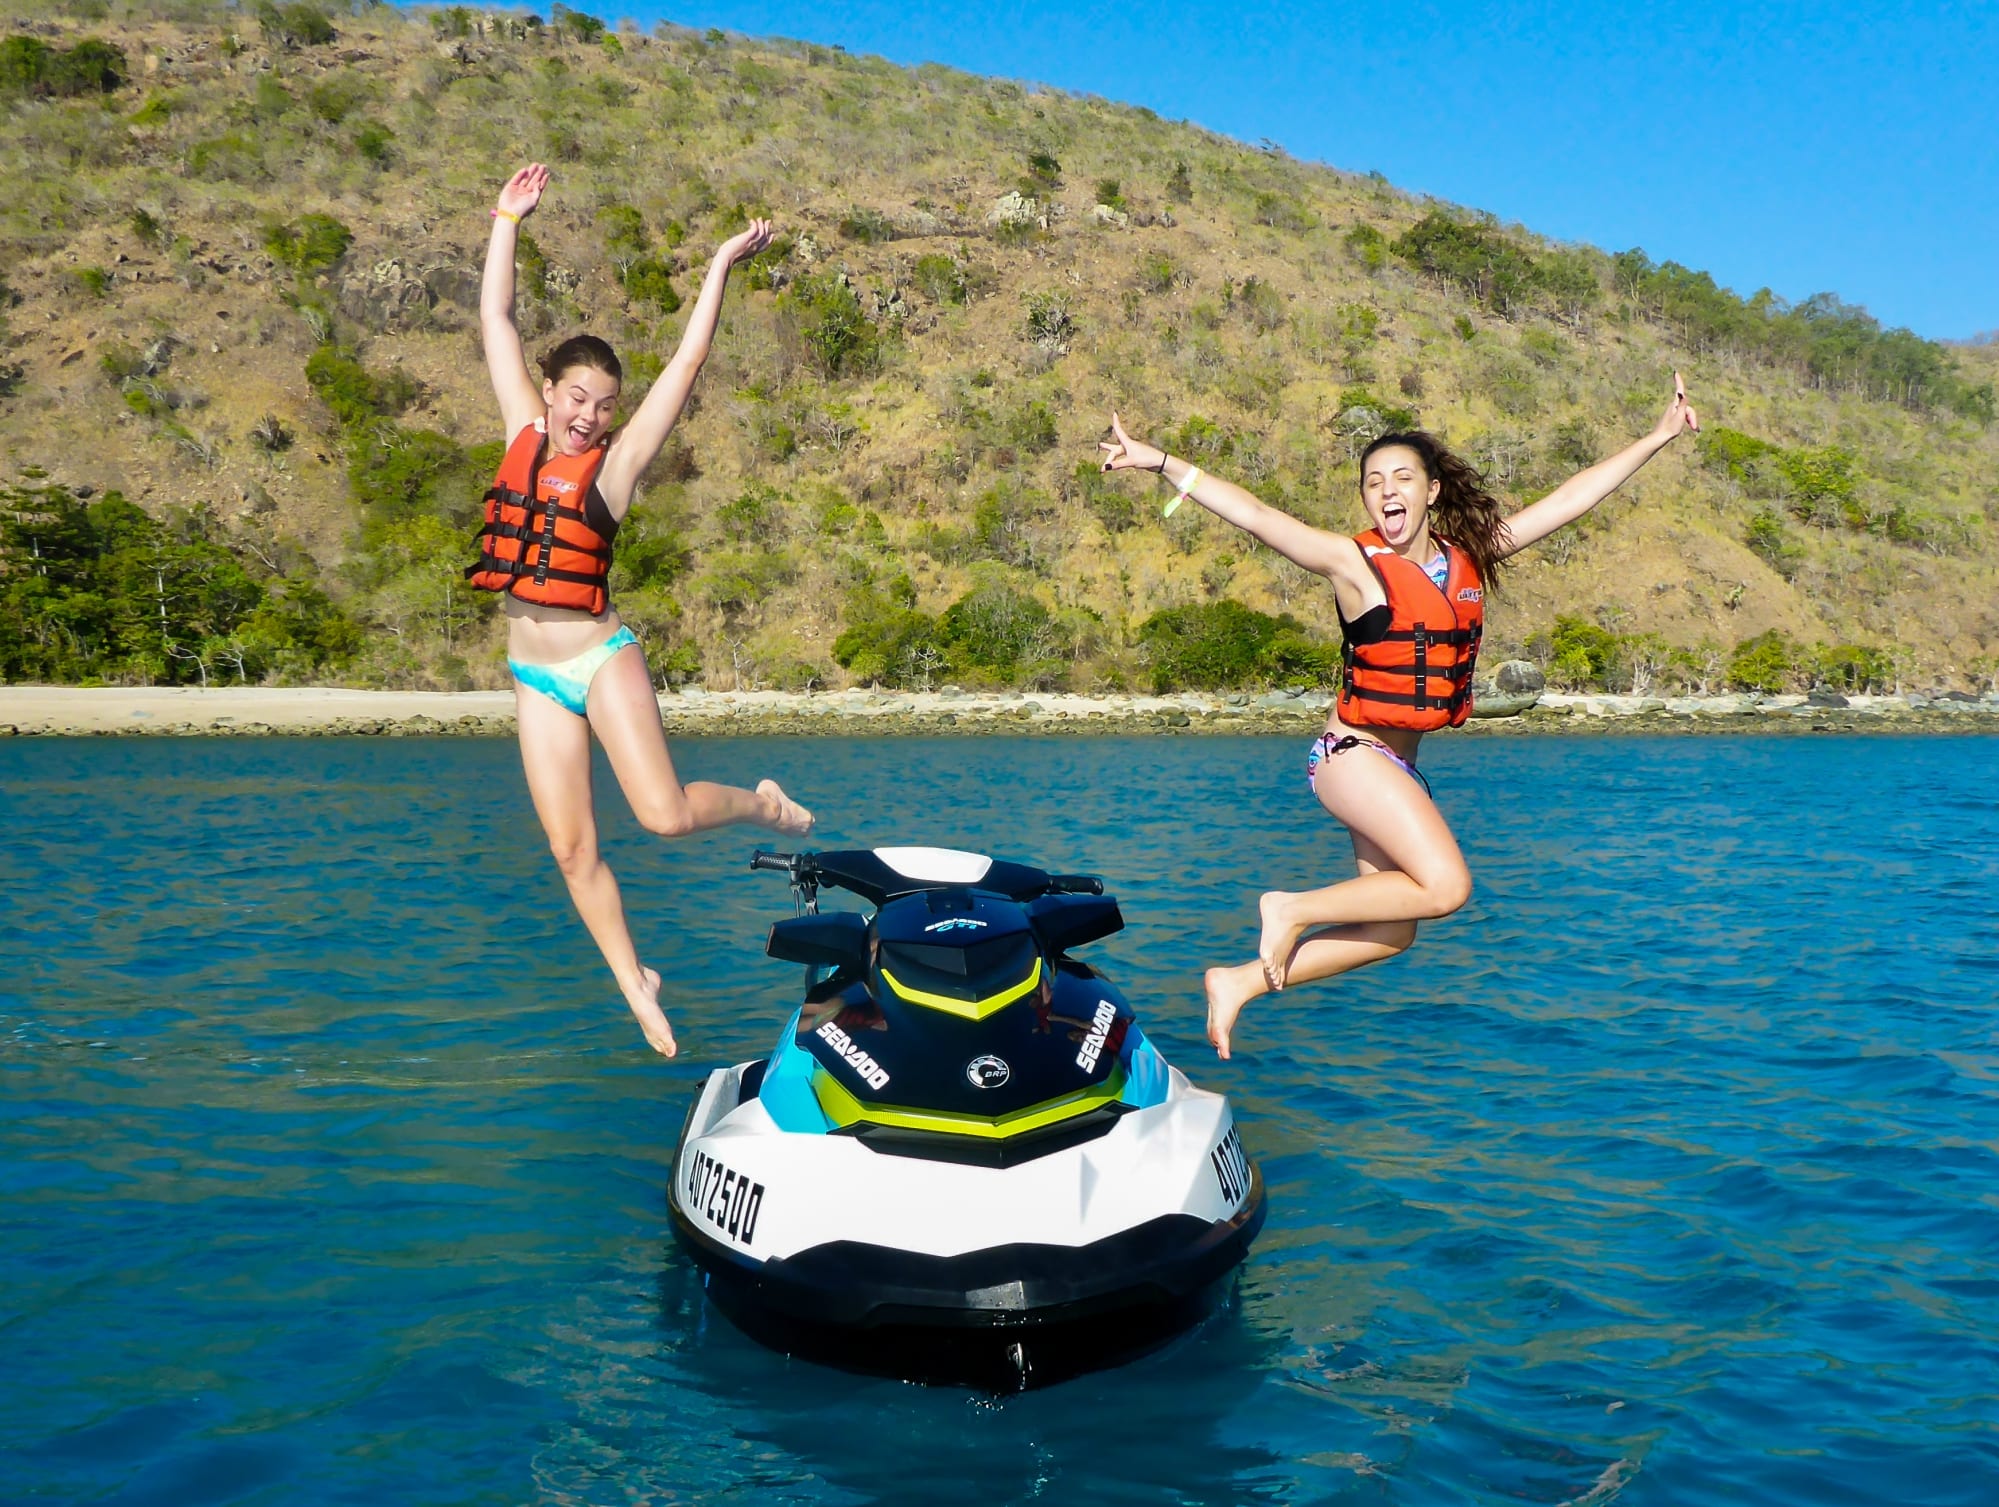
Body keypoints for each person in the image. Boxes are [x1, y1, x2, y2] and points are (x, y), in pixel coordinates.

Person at [1099, 375, 1698, 1057]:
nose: (1387, 491)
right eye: (1373, 480)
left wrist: (1655, 437)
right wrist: (1164, 463)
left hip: (1397, 768)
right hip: (1348, 756)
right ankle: (1287, 907)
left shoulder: (1467, 557)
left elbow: (1568, 500)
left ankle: (1237, 981)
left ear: (1430, 490)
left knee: (1392, 929)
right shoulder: (1353, 564)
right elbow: (1257, 515)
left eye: (1402, 478)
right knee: (1445, 886)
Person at [475, 161, 813, 1058]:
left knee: (661, 816)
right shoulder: (520, 426)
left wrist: (718, 265)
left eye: (604, 406)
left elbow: (688, 363)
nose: (588, 416)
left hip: (600, 657)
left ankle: (762, 805)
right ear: (549, 393)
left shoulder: (613, 470)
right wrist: (506, 220)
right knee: (571, 851)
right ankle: (635, 979)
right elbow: (497, 320)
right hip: (533, 674)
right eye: (576, 398)